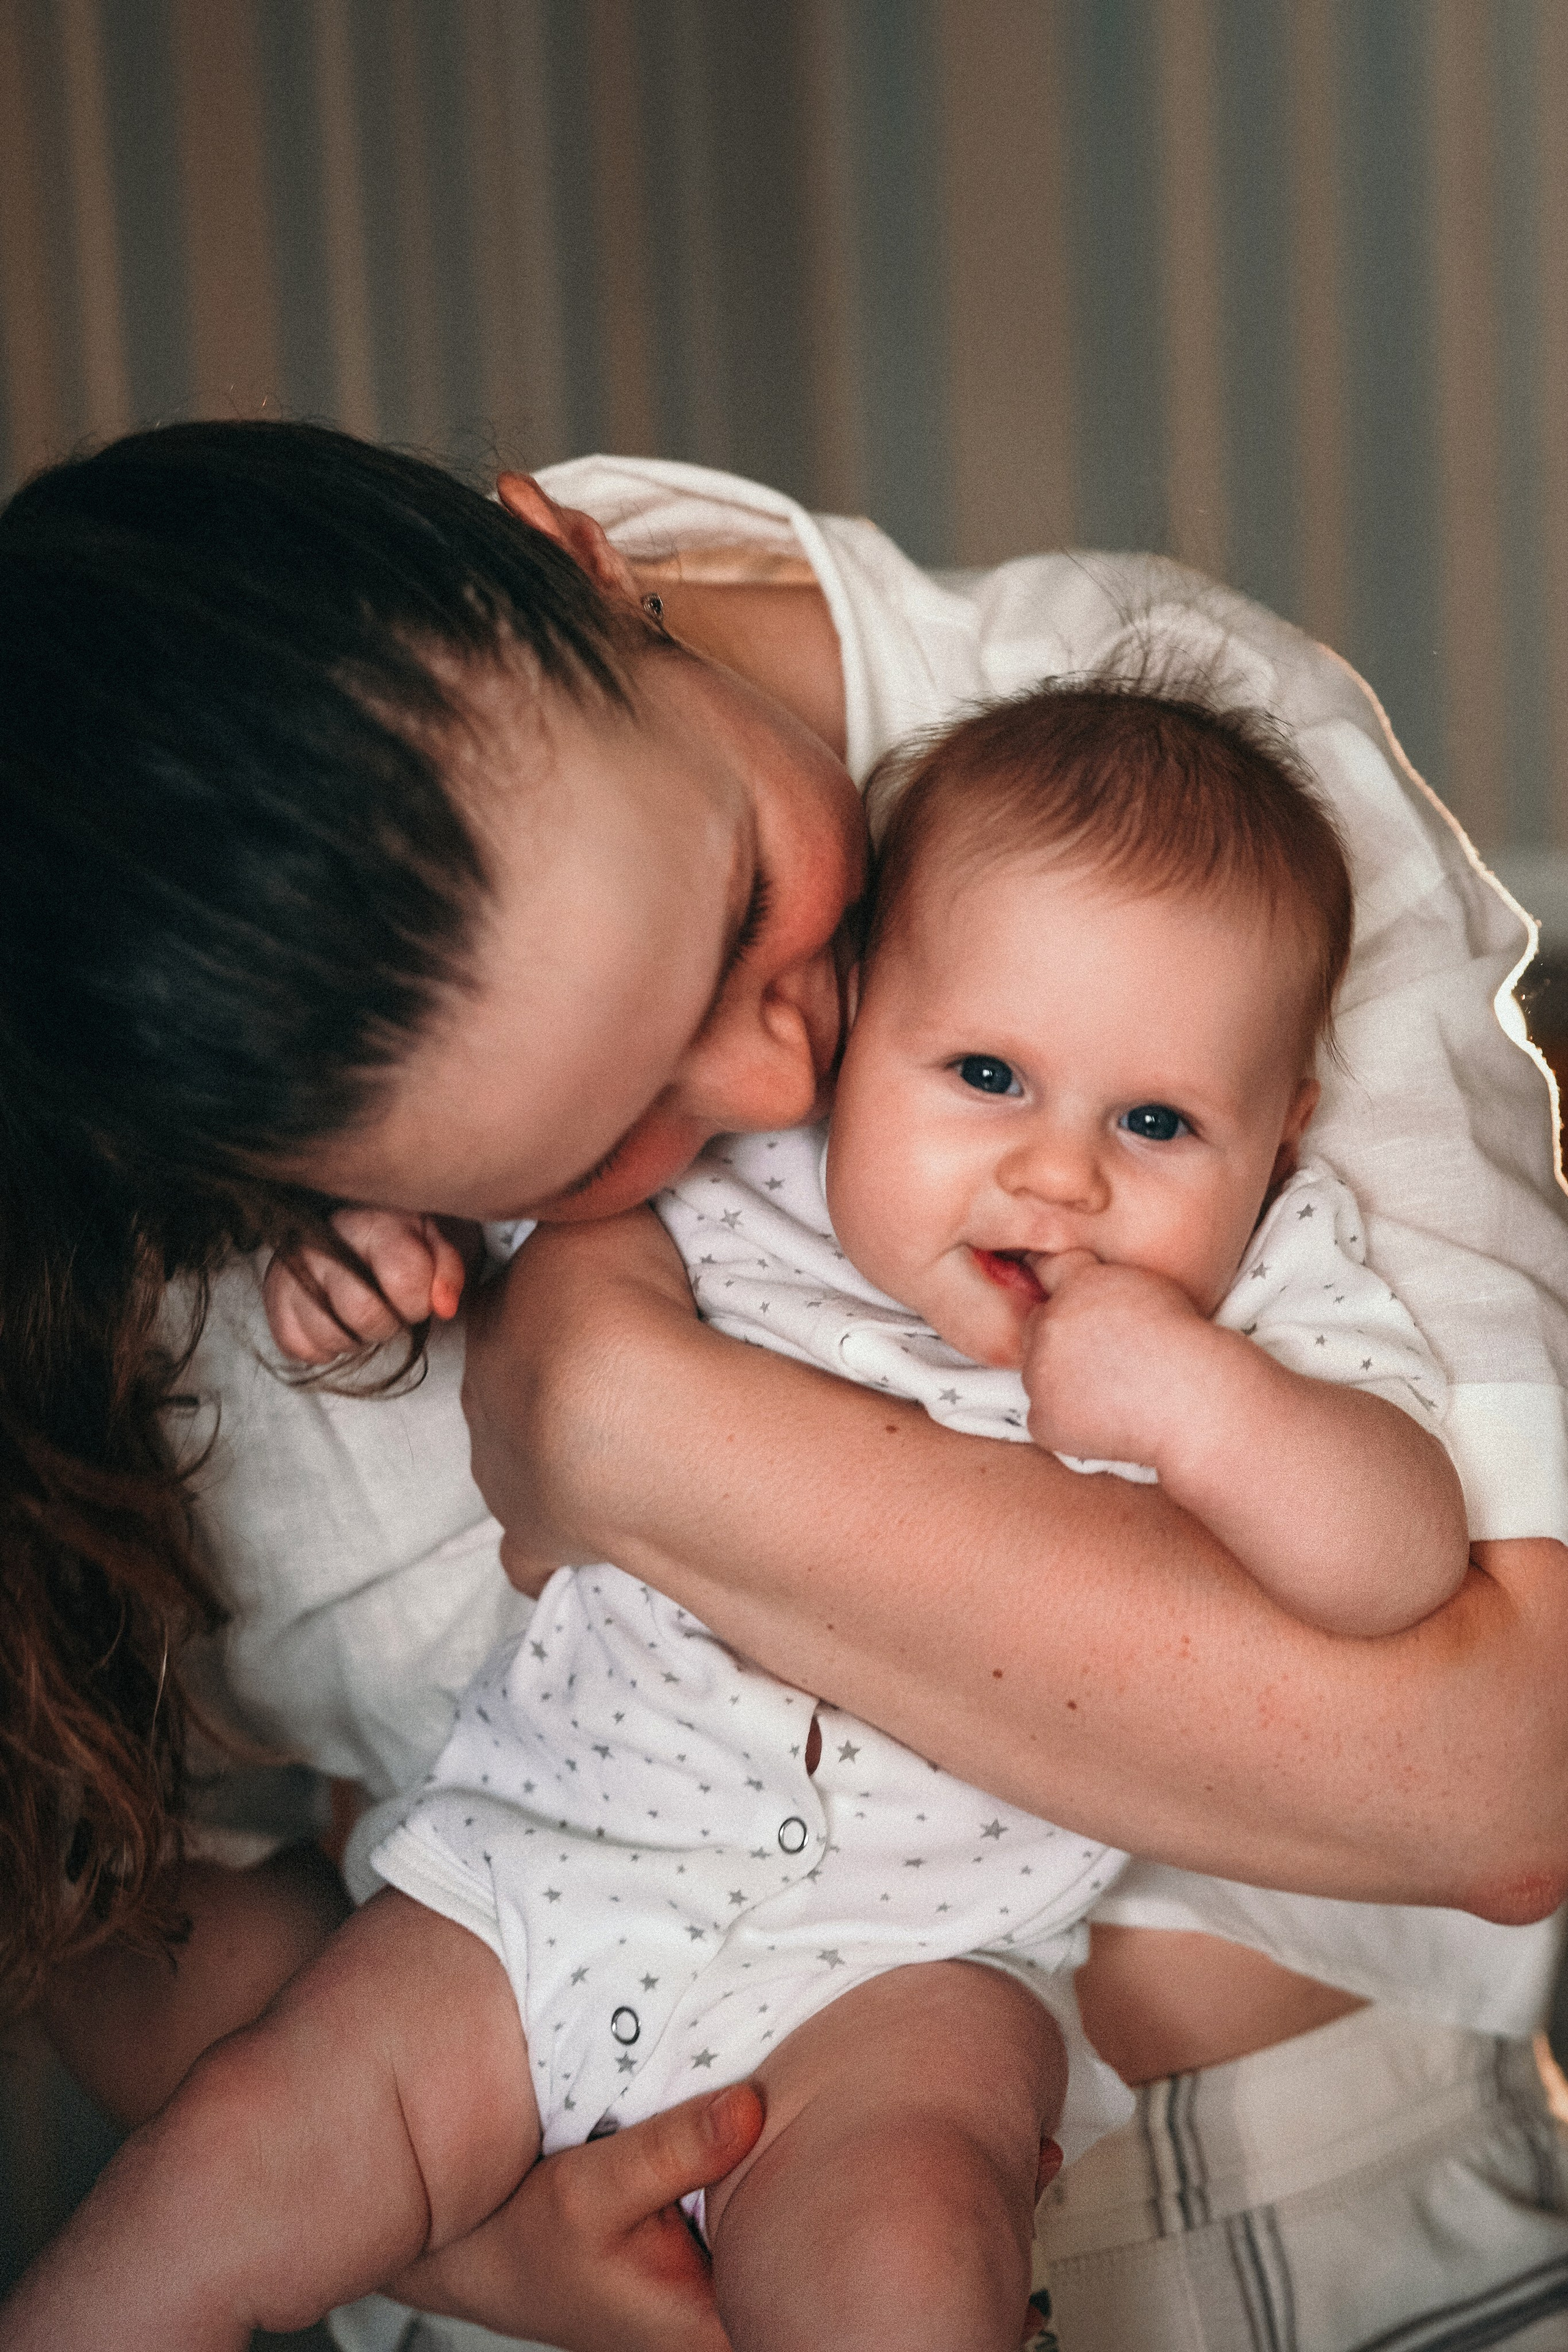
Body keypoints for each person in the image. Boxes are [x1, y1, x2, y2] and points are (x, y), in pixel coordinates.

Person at [1, 421, 1564, 2351]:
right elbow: (92, 1888)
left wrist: (616, 1417)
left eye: (744, 910)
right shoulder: (234, 1239)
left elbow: (1506, 1771)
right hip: (513, 1962)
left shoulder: (1155, 826)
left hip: (1093, 2096)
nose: (770, 1089)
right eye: (594, 1142)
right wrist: (440, 2237)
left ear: (571, 567)